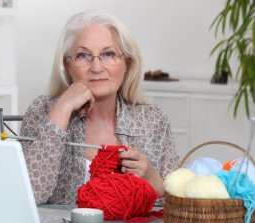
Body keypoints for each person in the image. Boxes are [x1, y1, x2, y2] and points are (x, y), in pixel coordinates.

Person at [20, 9, 179, 206]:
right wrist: (62, 108)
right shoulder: (42, 111)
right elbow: (28, 197)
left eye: (108, 54)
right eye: (83, 56)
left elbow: (179, 210)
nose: (96, 67)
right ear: (67, 65)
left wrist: (154, 182)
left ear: (127, 63)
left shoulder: (153, 121)